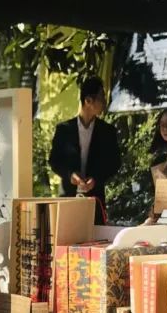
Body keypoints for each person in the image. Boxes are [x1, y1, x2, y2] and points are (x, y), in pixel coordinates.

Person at [48, 76, 121, 224]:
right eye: (101, 97)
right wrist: (70, 175)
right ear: (88, 101)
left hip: (95, 199)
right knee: (67, 234)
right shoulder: (64, 130)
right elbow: (54, 161)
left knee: (95, 234)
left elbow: (114, 163)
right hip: (68, 197)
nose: (104, 102)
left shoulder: (107, 131)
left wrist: (96, 179)